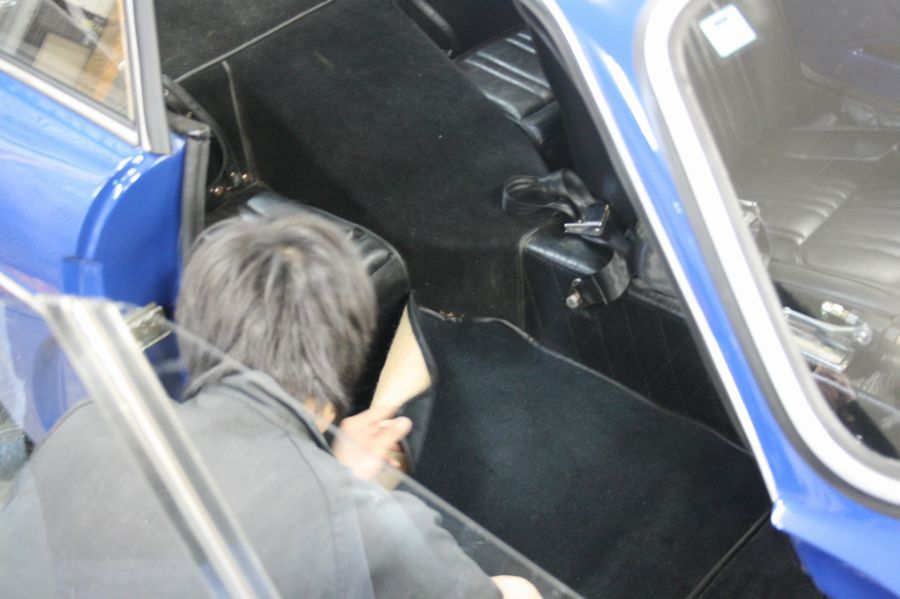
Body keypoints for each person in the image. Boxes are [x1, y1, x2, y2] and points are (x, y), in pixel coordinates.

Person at [0, 212, 541, 598]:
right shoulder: (376, 528)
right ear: (347, 358)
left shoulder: (87, 422)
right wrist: (349, 499)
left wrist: (330, 481)